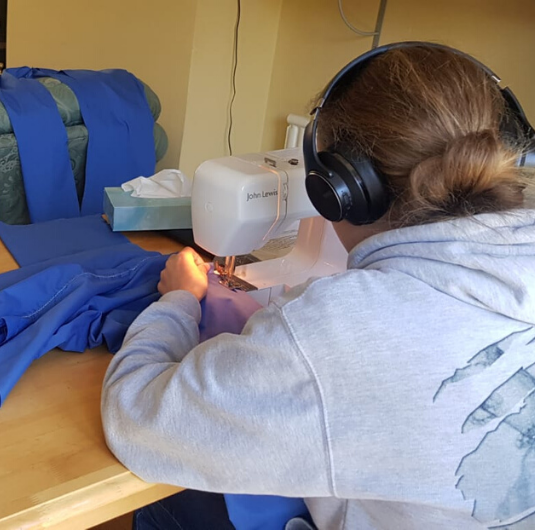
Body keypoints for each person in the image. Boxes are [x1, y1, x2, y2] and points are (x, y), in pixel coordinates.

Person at [101, 42, 535, 530]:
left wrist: (177, 300)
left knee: (171, 504)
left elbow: (137, 418)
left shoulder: (343, 333)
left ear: (340, 188)